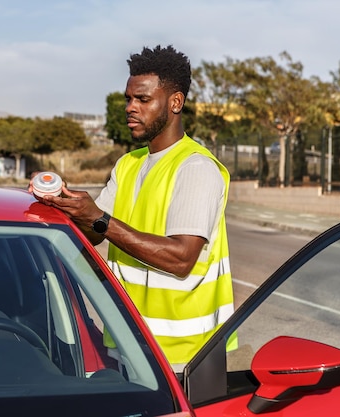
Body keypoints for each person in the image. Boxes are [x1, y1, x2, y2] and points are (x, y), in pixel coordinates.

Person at [30, 45, 235, 371]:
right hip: (129, 339)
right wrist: (66, 205)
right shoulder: (128, 164)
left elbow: (181, 258)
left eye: (142, 99)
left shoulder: (195, 167)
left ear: (175, 102)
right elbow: (95, 235)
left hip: (185, 356)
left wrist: (97, 218)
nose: (130, 108)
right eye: (128, 99)